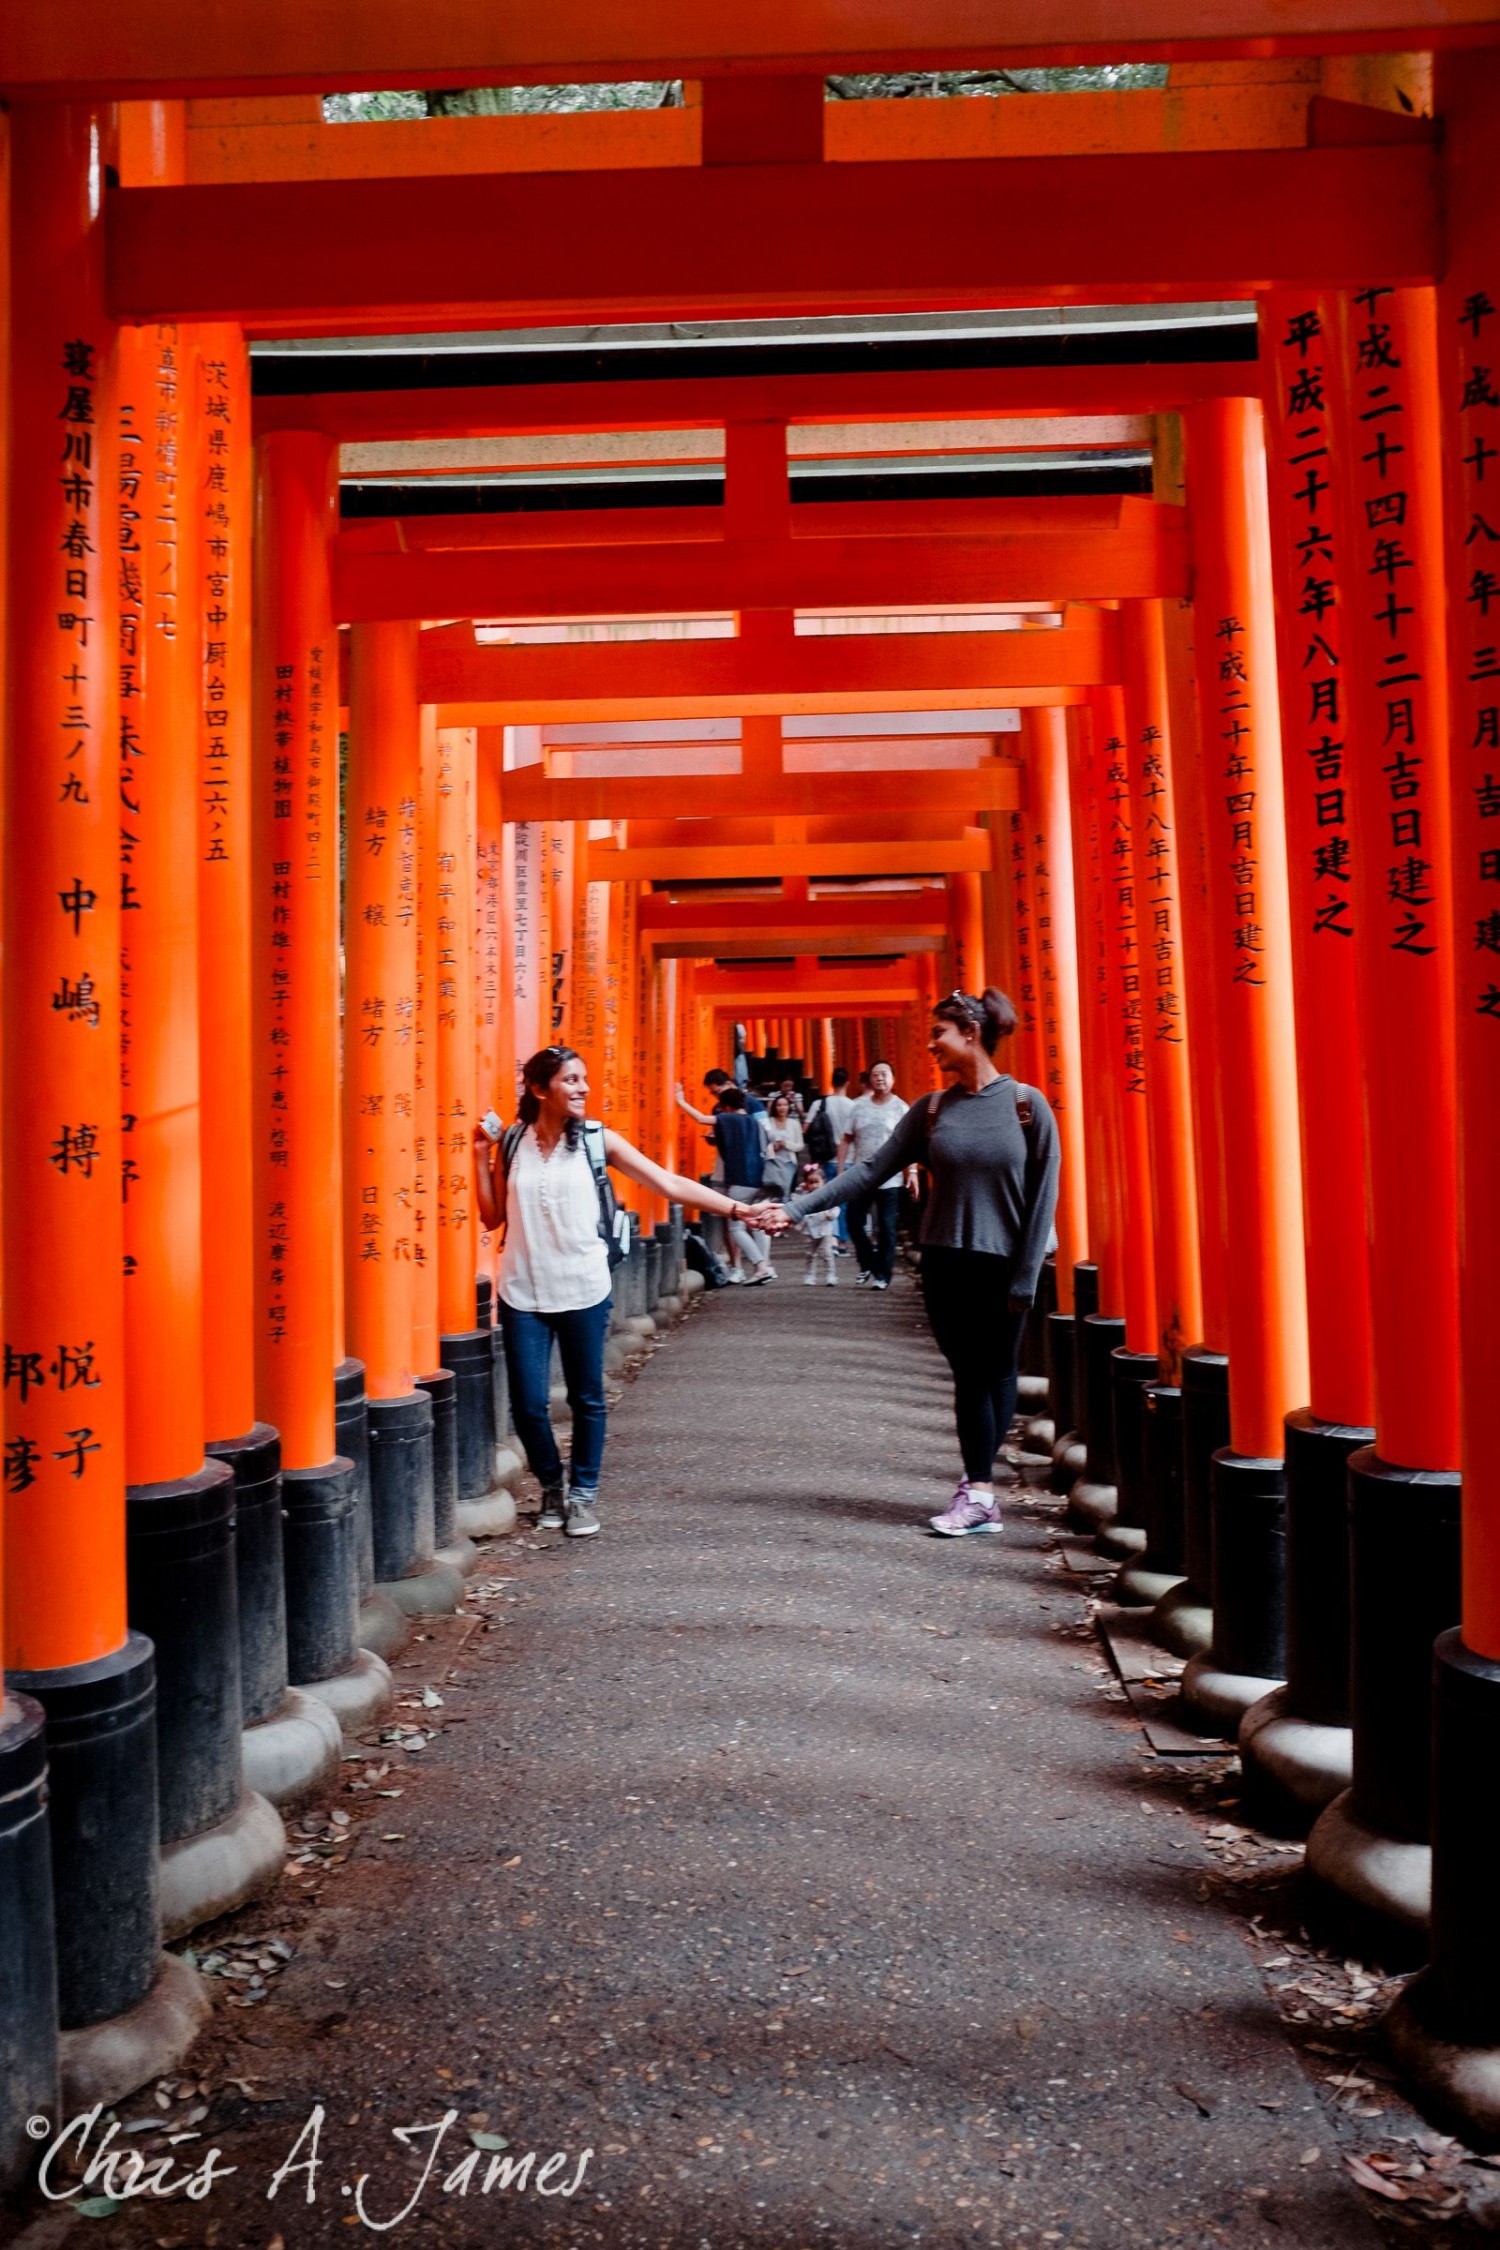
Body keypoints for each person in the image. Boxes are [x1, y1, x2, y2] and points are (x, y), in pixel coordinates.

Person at [765, 989, 1060, 1537]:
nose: (930, 1045)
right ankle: (981, 1491)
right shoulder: (931, 1111)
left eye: (939, 1034)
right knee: (971, 1374)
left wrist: (1024, 1276)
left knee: (995, 1374)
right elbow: (868, 1172)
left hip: (1006, 1263)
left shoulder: (1026, 1104)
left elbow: (1045, 1195)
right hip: (947, 1260)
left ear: (970, 1034)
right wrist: (796, 1208)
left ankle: (979, 1491)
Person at [474, 1044, 773, 1537]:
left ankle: (582, 1495)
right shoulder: (512, 1143)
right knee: (527, 1403)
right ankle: (551, 1484)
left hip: (584, 1285)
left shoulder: (597, 1140)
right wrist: (480, 1158)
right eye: (571, 1080)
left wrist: (739, 1210)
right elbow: (492, 1217)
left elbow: (668, 1184)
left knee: (587, 1396)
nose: (583, 1088)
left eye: (583, 1079)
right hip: (522, 1289)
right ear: (539, 1088)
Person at [839, 1061, 912, 1290]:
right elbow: (846, 1138)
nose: (880, 1078)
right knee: (853, 1221)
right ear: (869, 1079)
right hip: (863, 1175)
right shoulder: (858, 1107)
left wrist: (913, 1173)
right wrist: (841, 1170)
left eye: (884, 1074)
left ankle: (883, 1275)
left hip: (891, 1178)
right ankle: (867, 1261)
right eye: (876, 1074)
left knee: (887, 1227)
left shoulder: (901, 1108)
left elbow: (911, 1144)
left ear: (893, 1079)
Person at [710, 1086, 776, 1284]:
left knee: (736, 1228)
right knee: (758, 1225)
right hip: (760, 1180)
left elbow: (702, 1119)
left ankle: (760, 1266)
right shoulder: (758, 1124)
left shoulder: (730, 1119)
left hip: (740, 1182)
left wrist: (681, 1102)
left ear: (727, 1107)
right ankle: (766, 1266)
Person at [793, 1161, 840, 1285]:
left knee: (827, 1254)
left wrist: (831, 1215)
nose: (814, 1185)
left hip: (824, 1228)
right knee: (810, 1254)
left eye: (816, 1182)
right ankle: (809, 1275)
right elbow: (797, 1206)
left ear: (823, 1181)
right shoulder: (804, 1196)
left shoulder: (827, 1196)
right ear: (806, 1183)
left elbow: (836, 1208)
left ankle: (831, 1274)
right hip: (809, 1230)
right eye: (810, 1182)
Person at [757, 1094, 804, 1198]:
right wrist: (771, 1146)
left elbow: (800, 1145)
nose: (782, 1108)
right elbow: (761, 1142)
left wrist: (786, 1144)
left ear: (789, 1106)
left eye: (785, 1105)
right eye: (779, 1105)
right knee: (771, 1192)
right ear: (775, 1107)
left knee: (785, 1192)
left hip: (788, 1162)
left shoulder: (794, 1123)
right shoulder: (768, 1122)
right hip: (770, 1161)